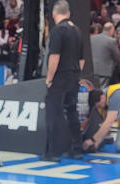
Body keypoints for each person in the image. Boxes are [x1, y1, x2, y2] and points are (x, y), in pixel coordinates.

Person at [44, 0, 84, 161]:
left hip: (60, 76)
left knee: (54, 112)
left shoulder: (57, 31)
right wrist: (76, 75)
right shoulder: (78, 31)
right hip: (74, 75)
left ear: (54, 14)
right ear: (68, 13)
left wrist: (49, 78)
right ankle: (77, 149)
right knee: (72, 111)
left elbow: (55, 56)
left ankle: (53, 153)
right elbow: (82, 59)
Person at [90, 22, 120, 87]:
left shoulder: (92, 38)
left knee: (94, 90)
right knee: (102, 91)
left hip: (93, 69)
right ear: (111, 30)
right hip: (105, 71)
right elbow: (117, 57)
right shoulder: (111, 41)